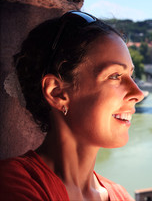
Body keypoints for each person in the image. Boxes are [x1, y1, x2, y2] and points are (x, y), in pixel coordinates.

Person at [0, 11, 144, 200]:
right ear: (57, 93)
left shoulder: (120, 195)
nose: (138, 94)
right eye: (115, 76)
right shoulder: (12, 186)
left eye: (130, 76)